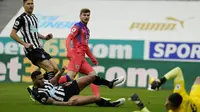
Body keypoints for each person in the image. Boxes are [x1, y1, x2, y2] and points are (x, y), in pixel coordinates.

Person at [63, 8, 117, 96]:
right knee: (70, 77)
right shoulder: (77, 26)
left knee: (92, 76)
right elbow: (69, 38)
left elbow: (86, 46)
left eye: (88, 15)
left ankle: (97, 96)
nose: (86, 17)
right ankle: (49, 83)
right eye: (84, 15)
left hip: (82, 58)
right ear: (80, 16)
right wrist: (69, 51)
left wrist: (93, 59)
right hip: (76, 56)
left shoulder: (87, 30)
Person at [10, 0, 58, 80]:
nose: (30, 5)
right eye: (28, 4)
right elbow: (12, 34)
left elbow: (34, 32)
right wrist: (24, 44)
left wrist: (45, 37)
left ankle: (37, 86)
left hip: (39, 48)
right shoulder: (21, 19)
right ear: (24, 6)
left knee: (55, 69)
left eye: (32, 3)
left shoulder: (34, 17)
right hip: (32, 50)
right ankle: (48, 90)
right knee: (50, 69)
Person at [29, 67, 126, 106]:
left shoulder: (44, 81)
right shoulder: (38, 93)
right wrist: (67, 103)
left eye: (42, 78)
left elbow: (52, 81)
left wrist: (60, 72)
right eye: (40, 79)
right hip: (67, 98)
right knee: (95, 98)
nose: (42, 80)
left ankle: (110, 84)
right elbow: (53, 102)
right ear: (34, 80)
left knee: (91, 77)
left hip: (67, 87)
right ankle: (112, 105)